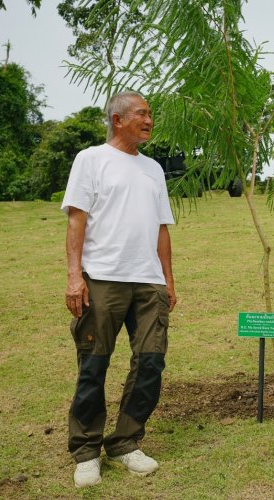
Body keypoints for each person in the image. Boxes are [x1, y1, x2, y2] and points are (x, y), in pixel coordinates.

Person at [61, 90, 176, 488]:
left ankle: (126, 441)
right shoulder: (91, 160)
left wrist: (168, 281)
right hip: (102, 278)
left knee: (151, 363)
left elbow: (162, 228)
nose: (149, 120)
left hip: (148, 281)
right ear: (117, 119)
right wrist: (75, 277)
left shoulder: (154, 169)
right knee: (94, 365)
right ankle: (87, 450)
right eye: (142, 114)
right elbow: (76, 220)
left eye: (150, 113)